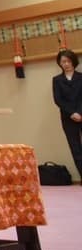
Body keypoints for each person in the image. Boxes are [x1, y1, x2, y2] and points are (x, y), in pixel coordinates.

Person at [53, 49, 82, 184]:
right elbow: (58, 100)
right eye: (63, 61)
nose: (66, 64)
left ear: (73, 62)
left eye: (68, 61)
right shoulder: (57, 80)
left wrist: (79, 112)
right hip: (68, 118)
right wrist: (72, 113)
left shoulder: (81, 77)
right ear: (59, 63)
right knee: (75, 149)